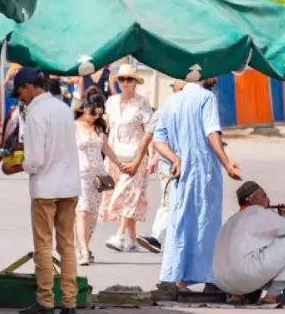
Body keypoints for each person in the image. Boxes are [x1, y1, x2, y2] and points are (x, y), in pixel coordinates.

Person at [2, 68, 81, 314]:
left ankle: (46, 300)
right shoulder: (63, 109)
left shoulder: (36, 114)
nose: (20, 99)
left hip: (45, 187)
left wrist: (15, 167)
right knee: (67, 245)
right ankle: (69, 301)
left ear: (29, 87)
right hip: (69, 185)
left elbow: (35, 160)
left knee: (44, 246)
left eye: (20, 94)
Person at [153, 77, 243, 291]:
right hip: (204, 172)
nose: (216, 78)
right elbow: (212, 132)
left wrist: (175, 159)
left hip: (181, 175)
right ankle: (210, 278)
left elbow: (158, 140)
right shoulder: (206, 98)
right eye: (213, 74)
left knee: (180, 223)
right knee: (206, 224)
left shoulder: (171, 101)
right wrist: (226, 163)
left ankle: (177, 279)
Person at [213, 181, 285, 304]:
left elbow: (265, 238)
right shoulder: (257, 212)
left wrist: (282, 219)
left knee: (247, 256)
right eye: (264, 196)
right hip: (245, 276)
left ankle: (237, 296)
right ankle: (272, 296)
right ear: (251, 199)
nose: (268, 200)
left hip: (223, 282)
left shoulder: (232, 219)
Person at [99, 65, 155, 252]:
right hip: (115, 157)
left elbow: (149, 132)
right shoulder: (111, 101)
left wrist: (152, 156)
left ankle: (120, 235)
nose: (124, 82)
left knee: (127, 194)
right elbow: (106, 128)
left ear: (135, 82)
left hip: (135, 158)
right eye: (121, 79)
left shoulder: (142, 103)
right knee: (127, 196)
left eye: (129, 79)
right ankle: (131, 240)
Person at [72, 88, 123, 265]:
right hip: (79, 175)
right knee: (82, 211)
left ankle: (83, 246)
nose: (96, 116)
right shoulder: (73, 126)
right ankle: (84, 252)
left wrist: (119, 164)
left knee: (92, 215)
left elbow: (105, 148)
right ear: (85, 107)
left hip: (98, 177)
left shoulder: (100, 126)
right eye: (93, 112)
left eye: (100, 113)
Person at [136, 79, 186, 254]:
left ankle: (176, 239)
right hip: (169, 165)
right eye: (181, 89)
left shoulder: (192, 110)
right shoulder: (165, 109)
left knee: (181, 203)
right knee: (168, 201)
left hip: (188, 164)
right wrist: (143, 159)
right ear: (175, 90)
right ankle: (157, 237)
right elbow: (151, 136)